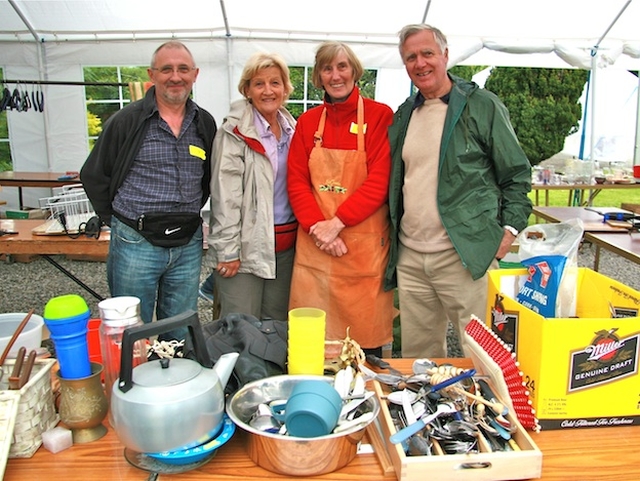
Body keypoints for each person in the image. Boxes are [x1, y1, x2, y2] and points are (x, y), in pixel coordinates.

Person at [384, 24, 532, 358]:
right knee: (418, 358)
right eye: (411, 57)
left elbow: (517, 174)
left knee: (483, 354)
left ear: (445, 55)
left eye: (427, 53)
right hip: (411, 256)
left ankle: (486, 410)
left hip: (464, 253)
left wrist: (508, 231)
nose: (420, 63)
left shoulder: (481, 106)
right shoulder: (406, 114)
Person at [80, 40, 216, 340]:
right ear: (151, 75)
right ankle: (130, 383)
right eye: (166, 69)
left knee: (180, 328)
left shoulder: (204, 122)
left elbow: (207, 177)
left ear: (195, 74)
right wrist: (116, 220)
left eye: (183, 69)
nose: (175, 76)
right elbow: (94, 174)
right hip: (136, 241)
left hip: (187, 243)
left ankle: (175, 382)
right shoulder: (126, 121)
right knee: (130, 333)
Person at [287, 41, 394, 357]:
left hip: (362, 250)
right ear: (319, 76)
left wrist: (336, 224)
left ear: (355, 71)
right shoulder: (308, 122)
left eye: (342, 66)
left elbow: (380, 181)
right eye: (327, 68)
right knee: (313, 345)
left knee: (365, 348)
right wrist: (319, 230)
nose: (335, 75)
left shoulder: (379, 116)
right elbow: (296, 181)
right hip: (316, 246)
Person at [206, 52, 297, 321]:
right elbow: (225, 197)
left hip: (285, 248)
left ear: (285, 88)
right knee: (241, 327)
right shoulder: (234, 133)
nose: (268, 91)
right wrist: (227, 251)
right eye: (259, 84)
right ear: (247, 90)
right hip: (245, 249)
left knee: (276, 328)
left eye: (275, 83)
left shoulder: (293, 128)